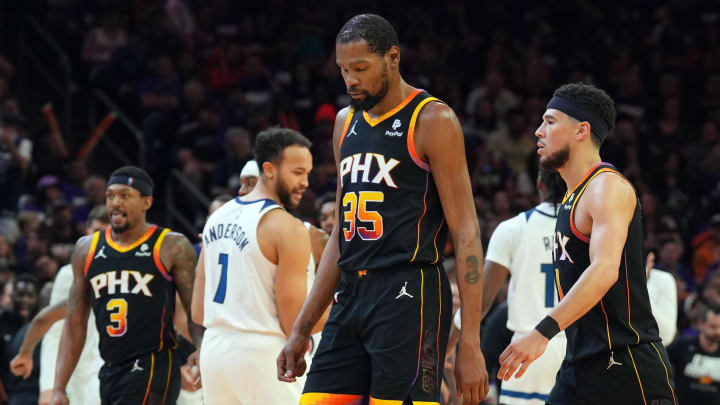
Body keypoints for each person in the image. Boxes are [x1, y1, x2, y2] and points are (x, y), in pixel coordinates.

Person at [277, 14, 489, 404]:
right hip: (351, 292)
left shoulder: (432, 119)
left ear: (392, 57)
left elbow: (466, 231)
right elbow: (341, 236)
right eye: (343, 70)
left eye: (360, 68)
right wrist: (302, 327)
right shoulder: (345, 123)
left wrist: (470, 340)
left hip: (410, 290)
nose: (350, 80)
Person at [498, 83, 676, 404]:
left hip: (626, 362)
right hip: (579, 362)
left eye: (550, 122)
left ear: (582, 130)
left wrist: (541, 333)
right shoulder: (571, 195)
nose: (539, 131)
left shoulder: (606, 187)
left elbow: (605, 269)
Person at [191, 127, 323, 403]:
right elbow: (293, 324)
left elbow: (198, 310)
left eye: (308, 174)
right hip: (263, 353)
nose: (306, 183)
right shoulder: (288, 228)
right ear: (270, 169)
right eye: (298, 172)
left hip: (215, 350)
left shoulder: (217, 216)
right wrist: (341, 304)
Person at [49, 166, 201, 405]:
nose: (115, 203)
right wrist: (58, 386)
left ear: (146, 202)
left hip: (154, 364)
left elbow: (194, 309)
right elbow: (75, 321)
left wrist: (201, 349)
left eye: (125, 195)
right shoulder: (85, 249)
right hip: (110, 368)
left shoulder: (171, 245)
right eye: (110, 196)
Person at [461, 168, 566, 405]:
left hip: (526, 350)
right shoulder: (588, 229)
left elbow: (482, 300)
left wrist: (448, 344)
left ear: (540, 184)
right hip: (577, 350)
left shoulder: (514, 228)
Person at [10, 205, 109, 405]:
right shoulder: (69, 273)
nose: (102, 239)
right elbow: (54, 329)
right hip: (79, 373)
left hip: (119, 370)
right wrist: (48, 386)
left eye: (107, 233)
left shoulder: (130, 269)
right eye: (97, 232)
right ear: (87, 231)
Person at [667, 301, 720, 405]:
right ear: (701, 324)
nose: (718, 331)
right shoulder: (683, 345)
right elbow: (658, 360)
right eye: (713, 327)